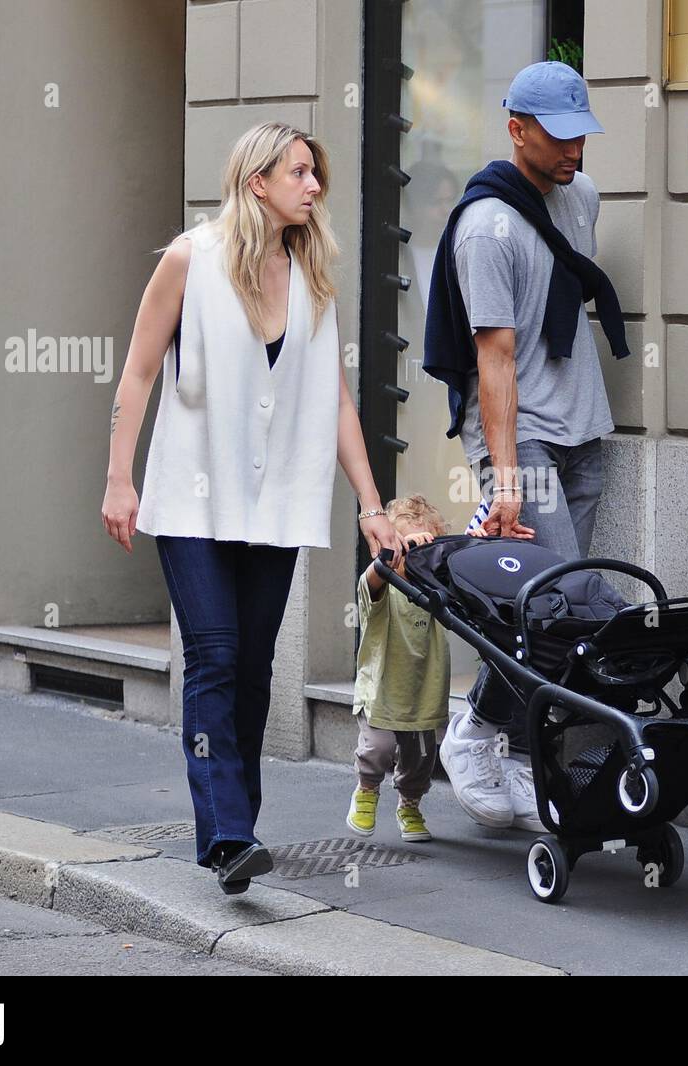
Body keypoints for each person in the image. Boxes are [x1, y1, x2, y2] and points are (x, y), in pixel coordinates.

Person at [102, 122, 406, 895]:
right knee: (215, 655)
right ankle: (228, 835)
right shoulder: (189, 260)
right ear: (256, 181)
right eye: (299, 172)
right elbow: (138, 373)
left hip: (273, 507)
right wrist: (119, 480)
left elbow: (334, 397)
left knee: (256, 668)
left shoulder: (310, 277)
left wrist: (371, 502)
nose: (313, 186)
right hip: (194, 501)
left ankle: (238, 825)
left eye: (315, 174)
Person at [422, 62, 632, 830]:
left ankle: (514, 750)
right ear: (518, 129)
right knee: (559, 600)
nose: (576, 149)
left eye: (582, 133)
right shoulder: (485, 228)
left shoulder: (583, 196)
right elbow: (496, 359)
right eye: (559, 135)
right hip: (525, 442)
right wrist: (505, 480)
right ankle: (474, 731)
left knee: (550, 616)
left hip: (584, 427)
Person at [346, 494, 450, 842]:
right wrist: (394, 553)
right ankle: (367, 789)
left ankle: (409, 803)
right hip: (381, 695)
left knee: (420, 762)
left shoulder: (438, 592)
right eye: (408, 546)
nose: (415, 556)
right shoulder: (379, 589)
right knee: (377, 749)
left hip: (423, 697)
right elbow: (376, 576)